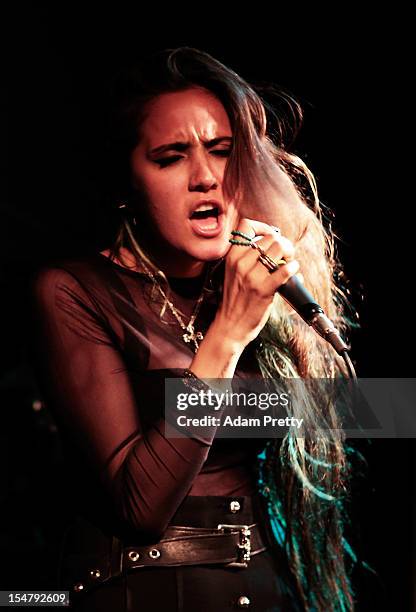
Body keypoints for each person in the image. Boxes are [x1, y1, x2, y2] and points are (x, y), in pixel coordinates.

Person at [29, 47, 356, 611]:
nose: (206, 177)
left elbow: (354, 415)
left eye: (223, 151)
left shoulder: (249, 284)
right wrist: (227, 337)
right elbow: (142, 504)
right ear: (125, 182)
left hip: (266, 586)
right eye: (171, 157)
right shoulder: (74, 292)